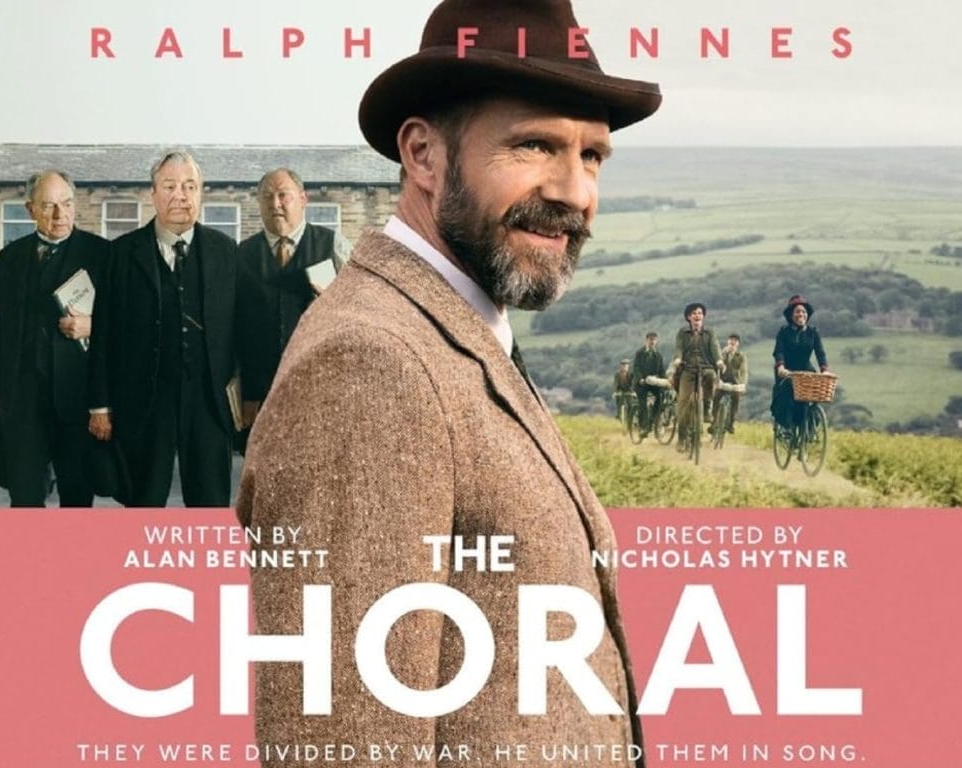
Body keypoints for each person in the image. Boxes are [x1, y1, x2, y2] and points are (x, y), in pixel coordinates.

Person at [235, 0, 661, 764]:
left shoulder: (454, 328)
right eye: (534, 144)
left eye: (592, 155)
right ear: (424, 156)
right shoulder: (369, 366)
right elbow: (346, 745)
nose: (574, 191)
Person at [88, 150, 236, 507]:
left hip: (208, 400)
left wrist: (243, 394)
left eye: (189, 186)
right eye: (169, 185)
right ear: (153, 194)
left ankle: (205, 565)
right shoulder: (121, 254)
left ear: (201, 193)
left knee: (211, 505)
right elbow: (103, 334)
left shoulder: (226, 251)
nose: (180, 195)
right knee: (143, 502)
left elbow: (240, 330)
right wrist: (99, 405)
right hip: (143, 399)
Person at [0, 170, 108, 506]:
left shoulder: (102, 254)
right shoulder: (10, 258)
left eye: (67, 204)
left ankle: (73, 560)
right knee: (24, 499)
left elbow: (125, 327)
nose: (60, 215)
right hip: (21, 399)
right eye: (49, 206)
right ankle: (32, 559)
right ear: (30, 209)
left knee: (77, 498)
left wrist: (92, 325)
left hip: (76, 398)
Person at [236, 168, 352, 434]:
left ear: (303, 199)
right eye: (267, 197)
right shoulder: (241, 254)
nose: (274, 204)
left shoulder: (334, 246)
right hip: (260, 397)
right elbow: (233, 330)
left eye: (282, 195)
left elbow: (360, 313)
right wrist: (244, 394)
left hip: (320, 390)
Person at [672, 302, 725, 452]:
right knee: (683, 403)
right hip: (687, 369)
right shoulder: (683, 333)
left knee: (711, 376)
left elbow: (715, 348)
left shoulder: (709, 332)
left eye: (700, 313)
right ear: (689, 317)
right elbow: (678, 348)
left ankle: (707, 407)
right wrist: (677, 359)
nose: (697, 316)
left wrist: (719, 361)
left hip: (706, 366)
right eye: (694, 313)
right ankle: (682, 438)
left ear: (703, 317)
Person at [771, 295, 829, 429]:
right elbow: (779, 351)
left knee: (809, 397)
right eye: (797, 311)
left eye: (804, 312)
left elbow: (820, 352)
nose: (801, 314)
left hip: (805, 369)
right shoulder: (783, 332)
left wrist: (824, 369)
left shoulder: (813, 332)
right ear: (791, 315)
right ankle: (787, 426)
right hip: (786, 370)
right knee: (787, 395)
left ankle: (807, 427)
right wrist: (780, 366)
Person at [632, 331, 666, 437]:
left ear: (657, 341)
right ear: (646, 340)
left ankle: (653, 420)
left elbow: (661, 370)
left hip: (653, 383)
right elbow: (636, 367)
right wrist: (640, 379)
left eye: (654, 340)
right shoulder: (640, 353)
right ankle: (643, 427)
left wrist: (666, 381)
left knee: (660, 398)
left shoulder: (658, 355)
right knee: (643, 404)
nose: (652, 342)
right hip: (641, 383)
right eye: (650, 339)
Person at [713, 333, 748, 433]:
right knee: (716, 397)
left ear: (738, 344)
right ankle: (714, 422)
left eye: (735, 341)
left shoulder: (741, 356)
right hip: (722, 381)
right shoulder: (722, 353)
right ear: (728, 342)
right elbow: (716, 366)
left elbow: (744, 371)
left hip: (735, 383)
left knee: (735, 400)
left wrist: (742, 384)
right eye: (731, 340)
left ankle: (731, 423)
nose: (732, 342)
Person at [612, 357, 632, 422]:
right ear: (621, 366)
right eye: (623, 366)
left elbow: (633, 383)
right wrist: (615, 392)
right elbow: (615, 383)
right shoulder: (617, 374)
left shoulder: (631, 374)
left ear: (628, 366)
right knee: (619, 402)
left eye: (626, 366)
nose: (624, 367)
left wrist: (633, 391)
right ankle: (619, 415)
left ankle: (629, 417)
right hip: (620, 390)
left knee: (630, 404)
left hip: (629, 390)